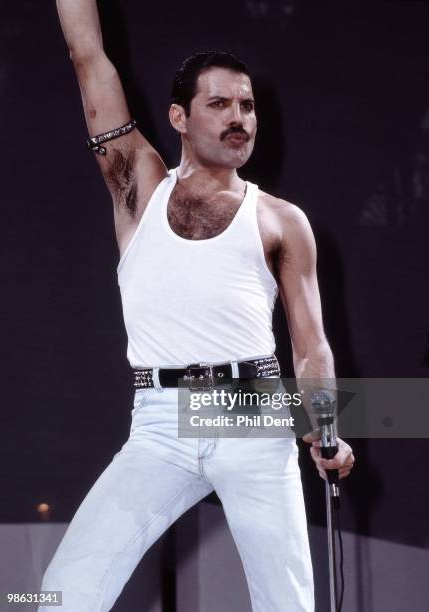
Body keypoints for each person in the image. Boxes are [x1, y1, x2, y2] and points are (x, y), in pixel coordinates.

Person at [41, 1, 355, 610]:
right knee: (62, 593)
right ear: (179, 117)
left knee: (287, 603)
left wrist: (326, 434)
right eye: (219, 105)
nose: (238, 119)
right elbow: (89, 59)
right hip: (161, 426)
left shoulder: (281, 220)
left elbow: (311, 342)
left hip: (254, 420)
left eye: (247, 105)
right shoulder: (139, 187)